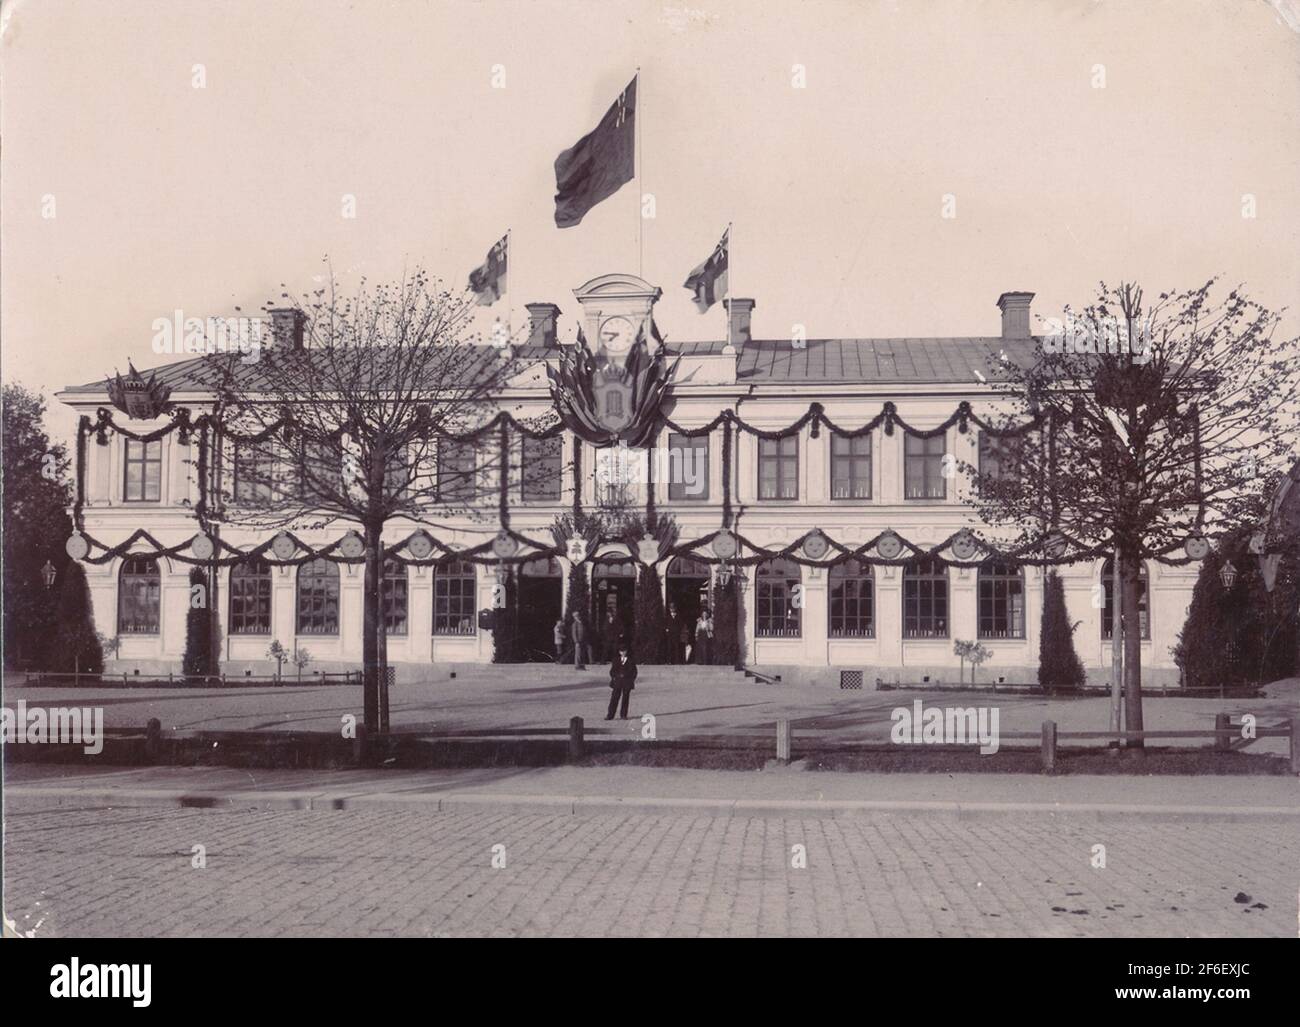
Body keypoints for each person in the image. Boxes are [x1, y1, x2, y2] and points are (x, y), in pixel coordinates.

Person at [606, 641, 638, 720]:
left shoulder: (631, 660)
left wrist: (630, 679)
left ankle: (623, 715)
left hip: (627, 682)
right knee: (614, 699)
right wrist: (616, 676)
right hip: (617, 682)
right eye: (621, 651)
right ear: (619, 652)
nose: (623, 652)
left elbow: (634, 672)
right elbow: (612, 671)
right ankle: (610, 715)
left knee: (625, 699)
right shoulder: (616, 660)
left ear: (627, 651)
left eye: (624, 651)